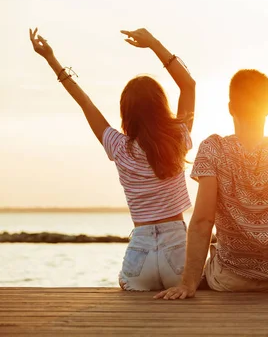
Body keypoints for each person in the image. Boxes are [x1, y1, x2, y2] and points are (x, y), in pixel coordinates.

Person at [29, 27, 196, 291]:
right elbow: (188, 85)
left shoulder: (118, 146)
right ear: (161, 105)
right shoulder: (177, 138)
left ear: (126, 112)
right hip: (178, 251)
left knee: (128, 294)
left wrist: (51, 58)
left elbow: (84, 102)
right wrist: (153, 44)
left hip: (139, 255)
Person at [154, 69, 268, 300]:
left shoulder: (213, 149)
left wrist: (188, 284)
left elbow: (202, 220)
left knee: (212, 266)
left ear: (231, 107)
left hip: (230, 281)